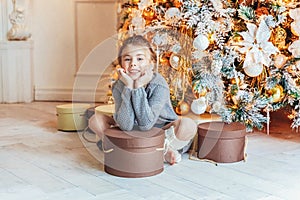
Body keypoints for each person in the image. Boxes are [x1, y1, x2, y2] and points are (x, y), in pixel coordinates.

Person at [89, 35, 197, 165]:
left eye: (140, 58)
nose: (133, 63)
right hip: (129, 130)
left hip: (160, 128)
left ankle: (164, 148)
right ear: (121, 64)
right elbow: (126, 125)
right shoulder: (119, 85)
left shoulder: (158, 84)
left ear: (150, 63)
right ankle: (122, 147)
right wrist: (129, 87)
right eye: (127, 59)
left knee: (188, 125)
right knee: (95, 121)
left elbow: (146, 124)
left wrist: (138, 86)